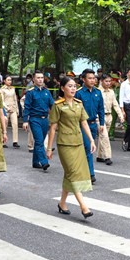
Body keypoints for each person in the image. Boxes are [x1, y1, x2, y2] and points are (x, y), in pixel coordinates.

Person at [48, 76, 96, 219]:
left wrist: (92, 140)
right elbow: (52, 128)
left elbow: (84, 123)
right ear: (62, 88)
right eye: (70, 86)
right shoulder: (58, 105)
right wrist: (49, 148)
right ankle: (83, 206)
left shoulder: (78, 104)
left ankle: (62, 203)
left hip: (78, 142)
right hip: (64, 144)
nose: (73, 89)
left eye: (74, 86)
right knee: (73, 174)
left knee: (69, 174)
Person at [22, 70, 54, 171]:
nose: (40, 80)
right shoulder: (30, 92)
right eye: (38, 78)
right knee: (39, 140)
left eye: (41, 78)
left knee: (39, 141)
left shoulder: (46, 92)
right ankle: (44, 161)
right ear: (34, 80)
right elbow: (27, 107)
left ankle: (35, 162)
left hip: (45, 119)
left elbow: (52, 105)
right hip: (34, 119)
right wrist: (25, 121)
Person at [77, 69, 105, 184]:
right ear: (84, 79)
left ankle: (82, 170)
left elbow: (101, 109)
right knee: (88, 148)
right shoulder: (79, 93)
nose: (92, 80)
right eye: (90, 78)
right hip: (83, 125)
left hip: (94, 124)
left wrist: (102, 123)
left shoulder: (98, 92)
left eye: (94, 78)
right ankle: (90, 174)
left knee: (89, 149)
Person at [97, 73, 124, 165]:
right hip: (99, 117)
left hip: (109, 116)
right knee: (105, 136)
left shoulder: (111, 92)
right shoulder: (97, 92)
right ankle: (107, 156)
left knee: (103, 136)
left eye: (109, 81)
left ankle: (100, 155)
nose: (108, 83)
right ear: (101, 81)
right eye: (106, 81)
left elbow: (115, 104)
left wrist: (120, 115)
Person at [0, 75, 21, 149]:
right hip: (6, 109)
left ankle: (15, 141)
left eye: (10, 80)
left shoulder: (13, 89)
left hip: (13, 108)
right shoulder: (2, 89)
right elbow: (1, 100)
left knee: (15, 125)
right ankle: (3, 141)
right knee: (4, 125)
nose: (10, 81)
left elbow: (15, 99)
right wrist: (7, 108)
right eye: (8, 80)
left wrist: (17, 109)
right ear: (4, 81)